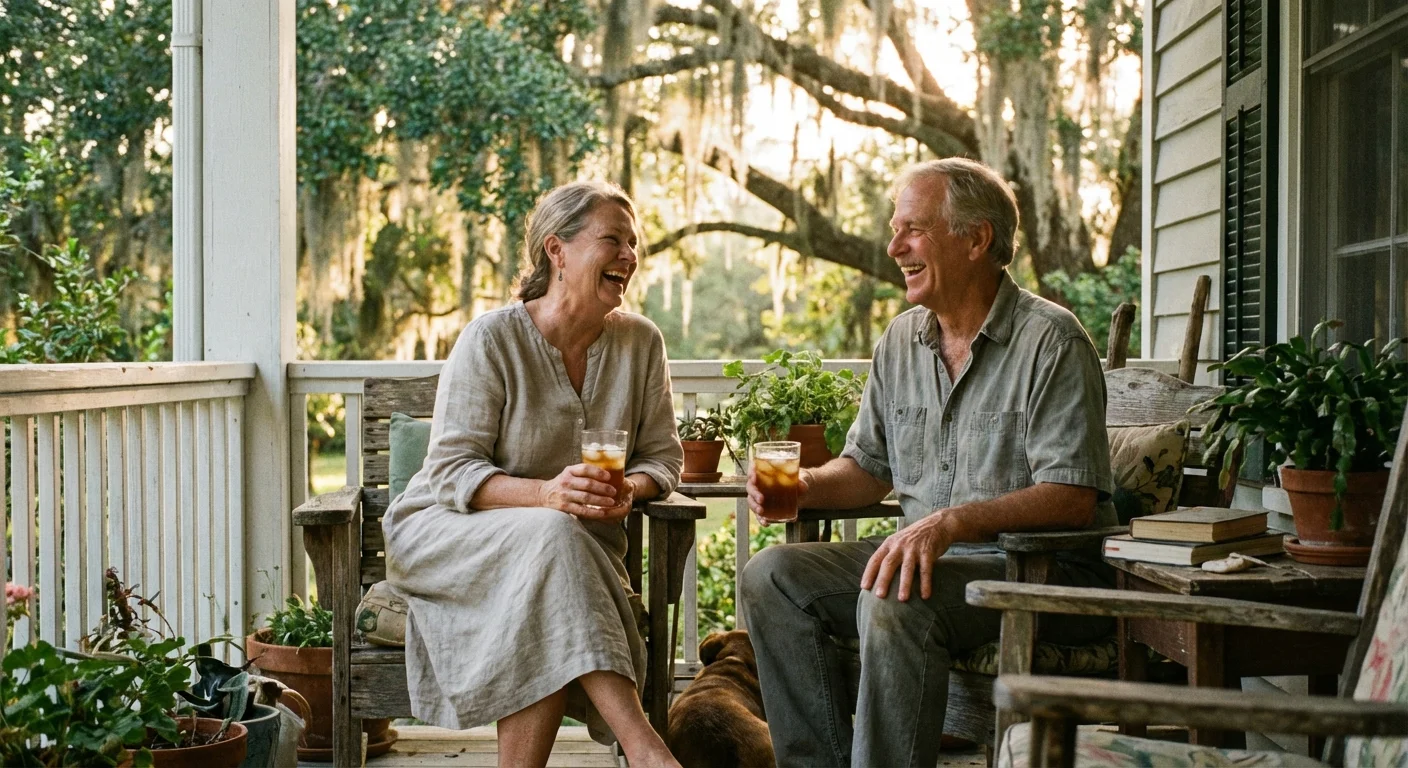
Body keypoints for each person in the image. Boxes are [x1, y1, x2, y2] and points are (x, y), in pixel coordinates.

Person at [739, 158, 1117, 767]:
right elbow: (867, 466)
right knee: (772, 577)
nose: (894, 247)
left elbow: (1071, 494)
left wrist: (951, 523)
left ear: (976, 239)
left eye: (913, 229)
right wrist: (803, 484)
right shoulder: (901, 340)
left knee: (894, 597)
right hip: (926, 561)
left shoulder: (1052, 342)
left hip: (1032, 576)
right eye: (895, 230)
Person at [382, 181, 684, 768]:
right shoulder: (492, 339)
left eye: (634, 243)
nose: (629, 255)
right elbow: (450, 471)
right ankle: (646, 746)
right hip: (449, 534)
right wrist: (547, 494)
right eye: (612, 240)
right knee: (550, 537)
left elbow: (663, 460)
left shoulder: (640, 342)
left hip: (560, 556)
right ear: (556, 250)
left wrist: (632, 488)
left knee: (544, 571)